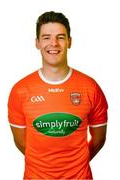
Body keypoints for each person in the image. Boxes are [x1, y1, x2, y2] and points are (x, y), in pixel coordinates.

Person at [8, 11, 108, 180]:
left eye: (60, 37)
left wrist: (76, 165)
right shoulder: (20, 90)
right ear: (37, 43)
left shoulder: (90, 87)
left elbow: (99, 139)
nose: (53, 43)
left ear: (69, 42)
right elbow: (22, 143)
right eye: (46, 37)